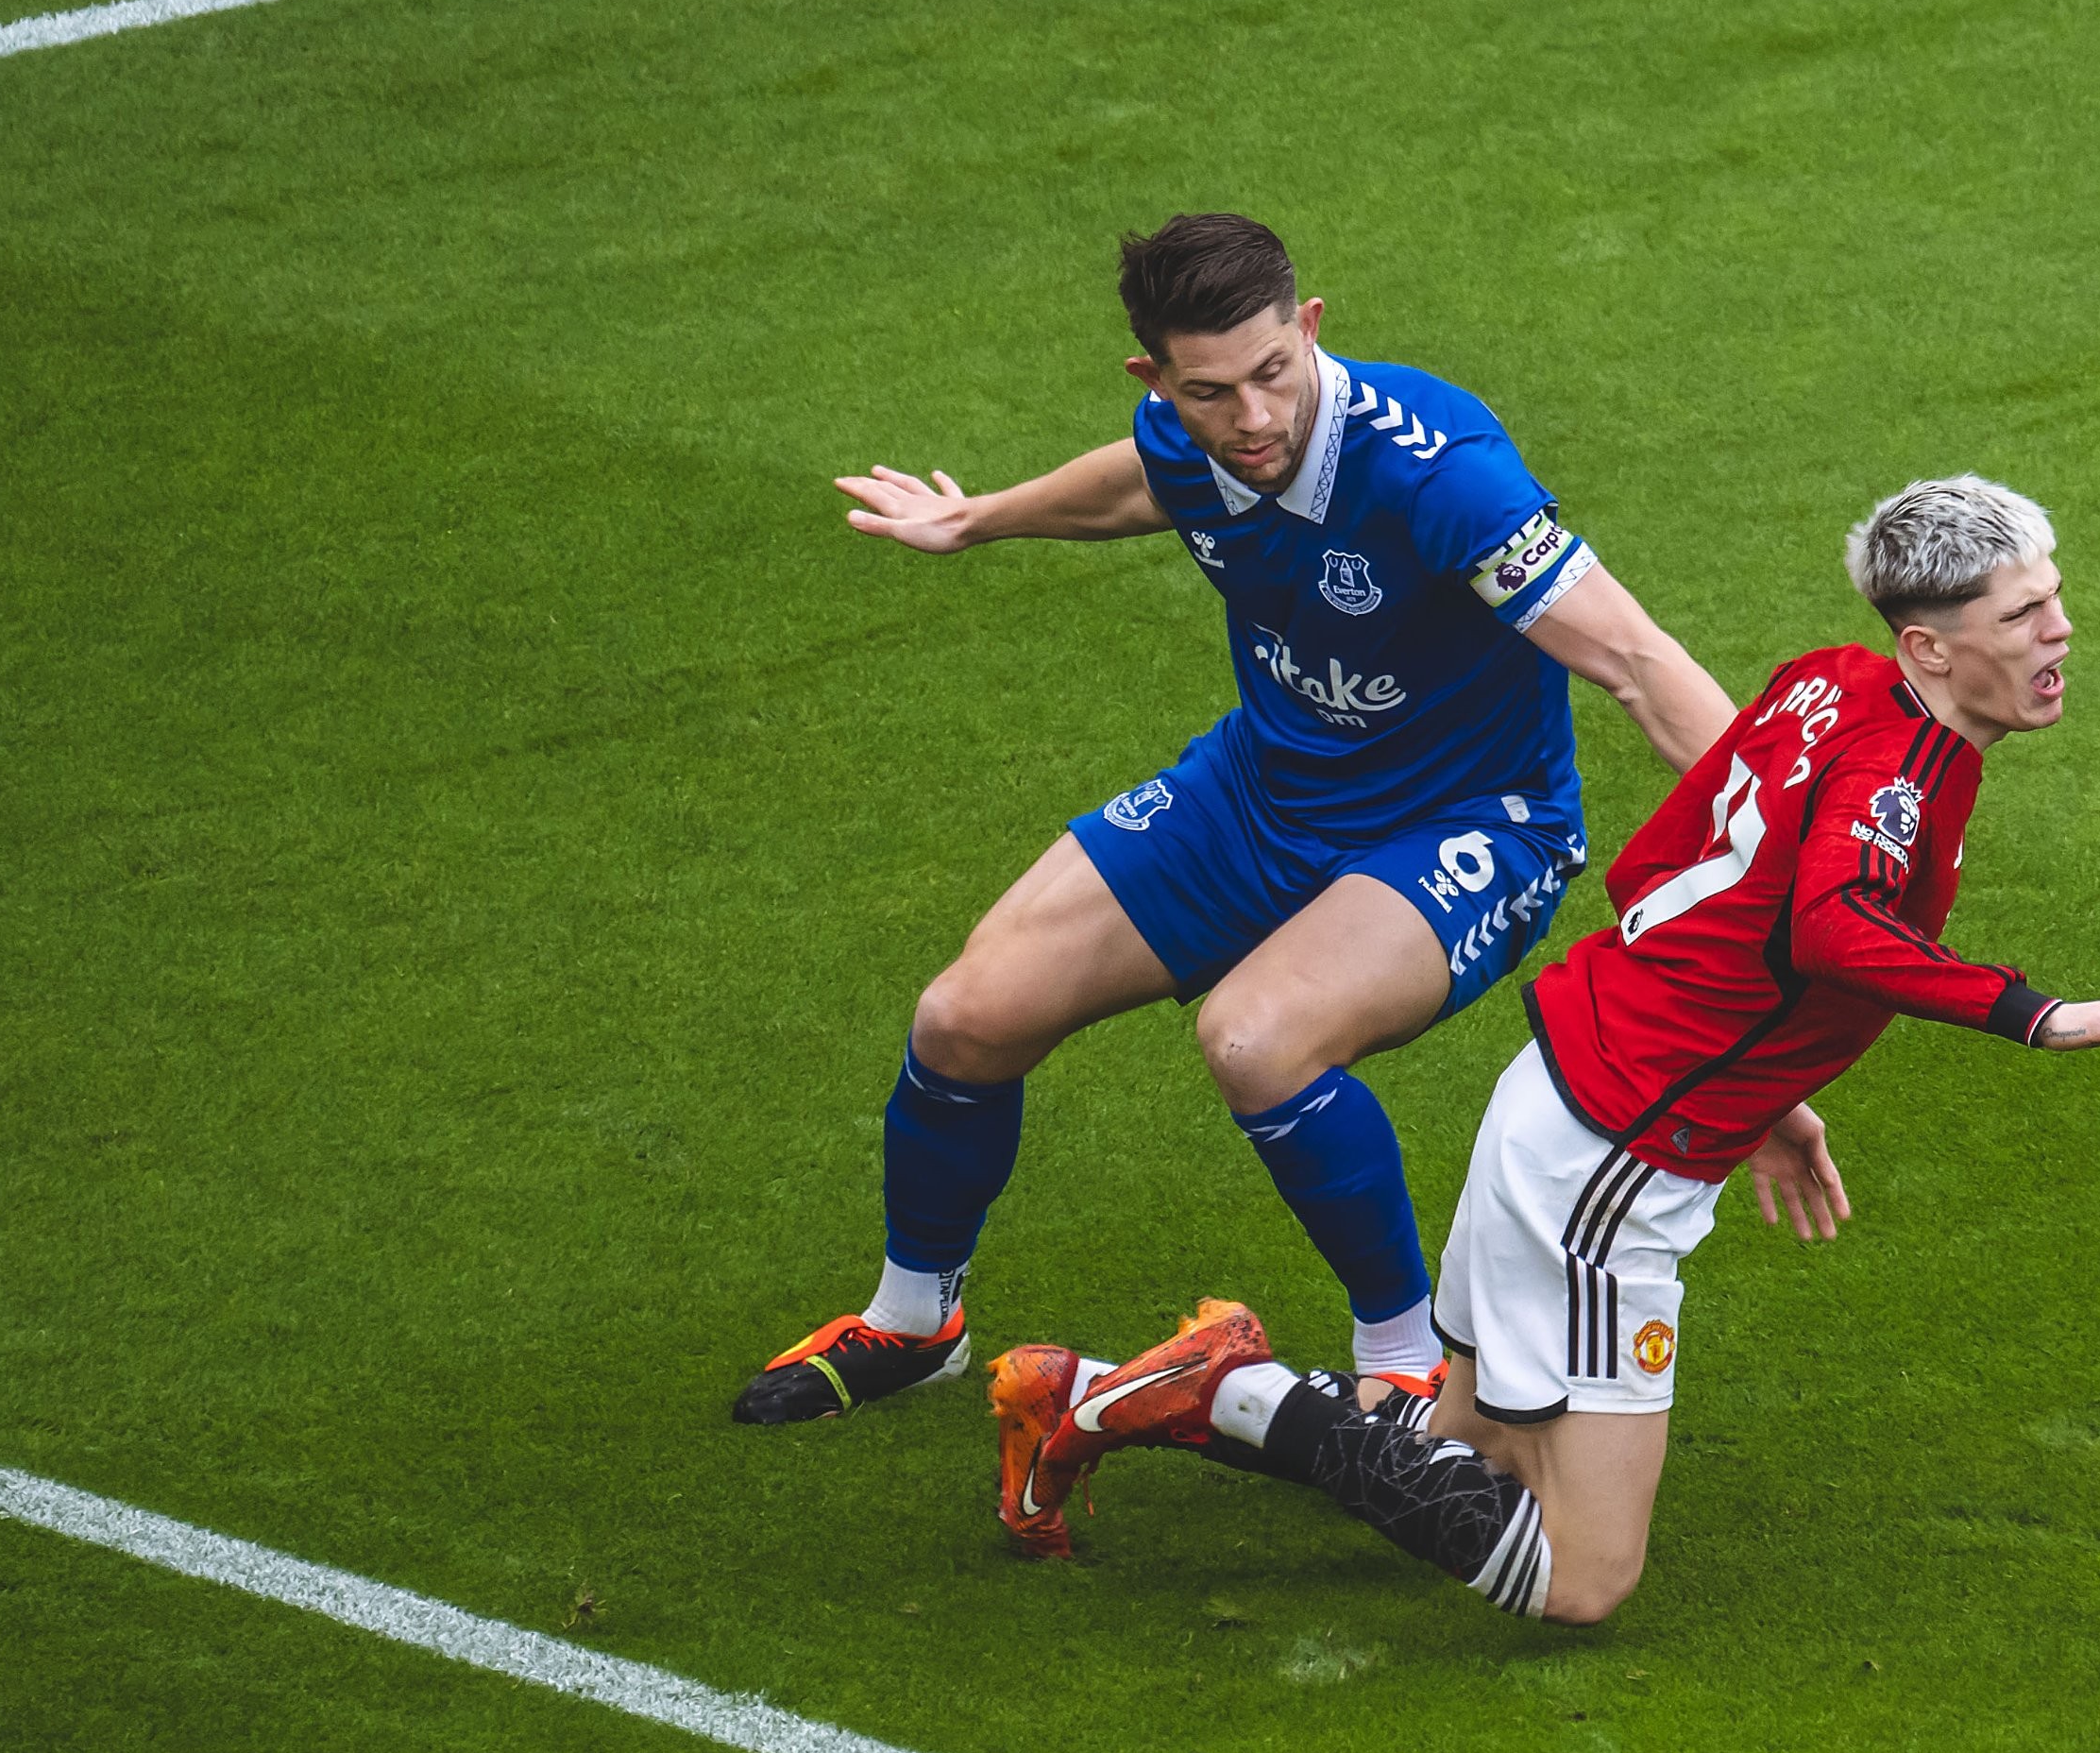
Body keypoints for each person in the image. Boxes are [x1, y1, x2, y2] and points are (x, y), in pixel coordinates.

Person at [986, 475, 2100, 1620]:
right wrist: (2042, 1011)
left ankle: (1107, 1394)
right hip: (1615, 1158)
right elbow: (1830, 923)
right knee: (1583, 1574)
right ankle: (1217, 1386)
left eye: (2053, 600)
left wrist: (1765, 1079)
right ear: (1931, 646)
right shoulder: (1905, 770)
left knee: (1457, 1446)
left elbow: (1668, 862)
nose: (2060, 631)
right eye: (2027, 611)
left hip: (1566, 1093)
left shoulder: (1830, 680)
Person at [732, 213, 1737, 1423]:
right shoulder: (1186, 431)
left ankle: (1407, 1358)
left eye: (1274, 373)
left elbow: (1633, 658)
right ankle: (914, 1320)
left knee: (1255, 1039)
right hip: (1266, 788)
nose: (1253, 419)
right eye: (1211, 391)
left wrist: (1766, 863)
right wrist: (979, 516)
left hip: (1475, 821)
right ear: (1153, 378)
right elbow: (1142, 482)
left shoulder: (1437, 470)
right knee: (964, 1017)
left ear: (1309, 328)